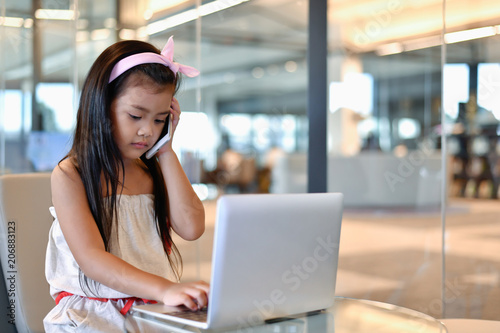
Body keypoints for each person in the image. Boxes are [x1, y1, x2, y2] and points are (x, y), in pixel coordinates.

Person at [43, 36, 209, 332]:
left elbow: (192, 227)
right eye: (135, 115)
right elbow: (93, 260)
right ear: (102, 106)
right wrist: (163, 290)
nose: (147, 130)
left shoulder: (151, 172)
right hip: (92, 313)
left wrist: (166, 151)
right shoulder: (71, 175)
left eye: (160, 119)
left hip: (150, 307)